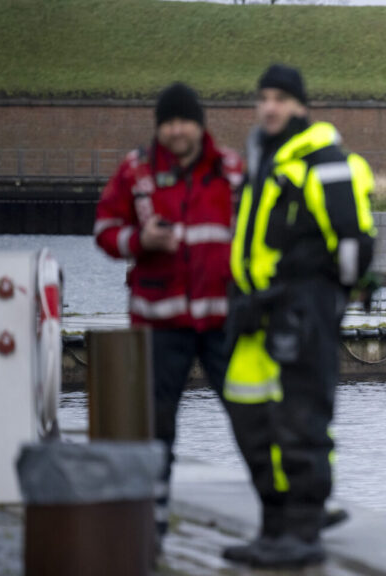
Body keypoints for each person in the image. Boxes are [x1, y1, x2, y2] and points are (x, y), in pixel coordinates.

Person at [220, 64, 377, 568]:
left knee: (302, 421)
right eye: (264, 97)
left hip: (301, 310)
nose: (270, 107)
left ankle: (303, 533)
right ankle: (273, 527)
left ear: (301, 106)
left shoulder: (322, 160)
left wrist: (332, 297)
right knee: (253, 420)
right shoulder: (262, 158)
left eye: (281, 98)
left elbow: (353, 242)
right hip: (254, 314)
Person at [93, 82, 243, 541]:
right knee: (156, 423)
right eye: (169, 122)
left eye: (185, 121)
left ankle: (281, 515)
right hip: (159, 322)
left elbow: (260, 231)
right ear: (160, 127)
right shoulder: (135, 172)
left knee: (249, 414)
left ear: (201, 125)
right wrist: (141, 242)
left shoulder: (232, 170)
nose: (177, 131)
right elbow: (103, 231)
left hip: (223, 320)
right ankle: (152, 518)